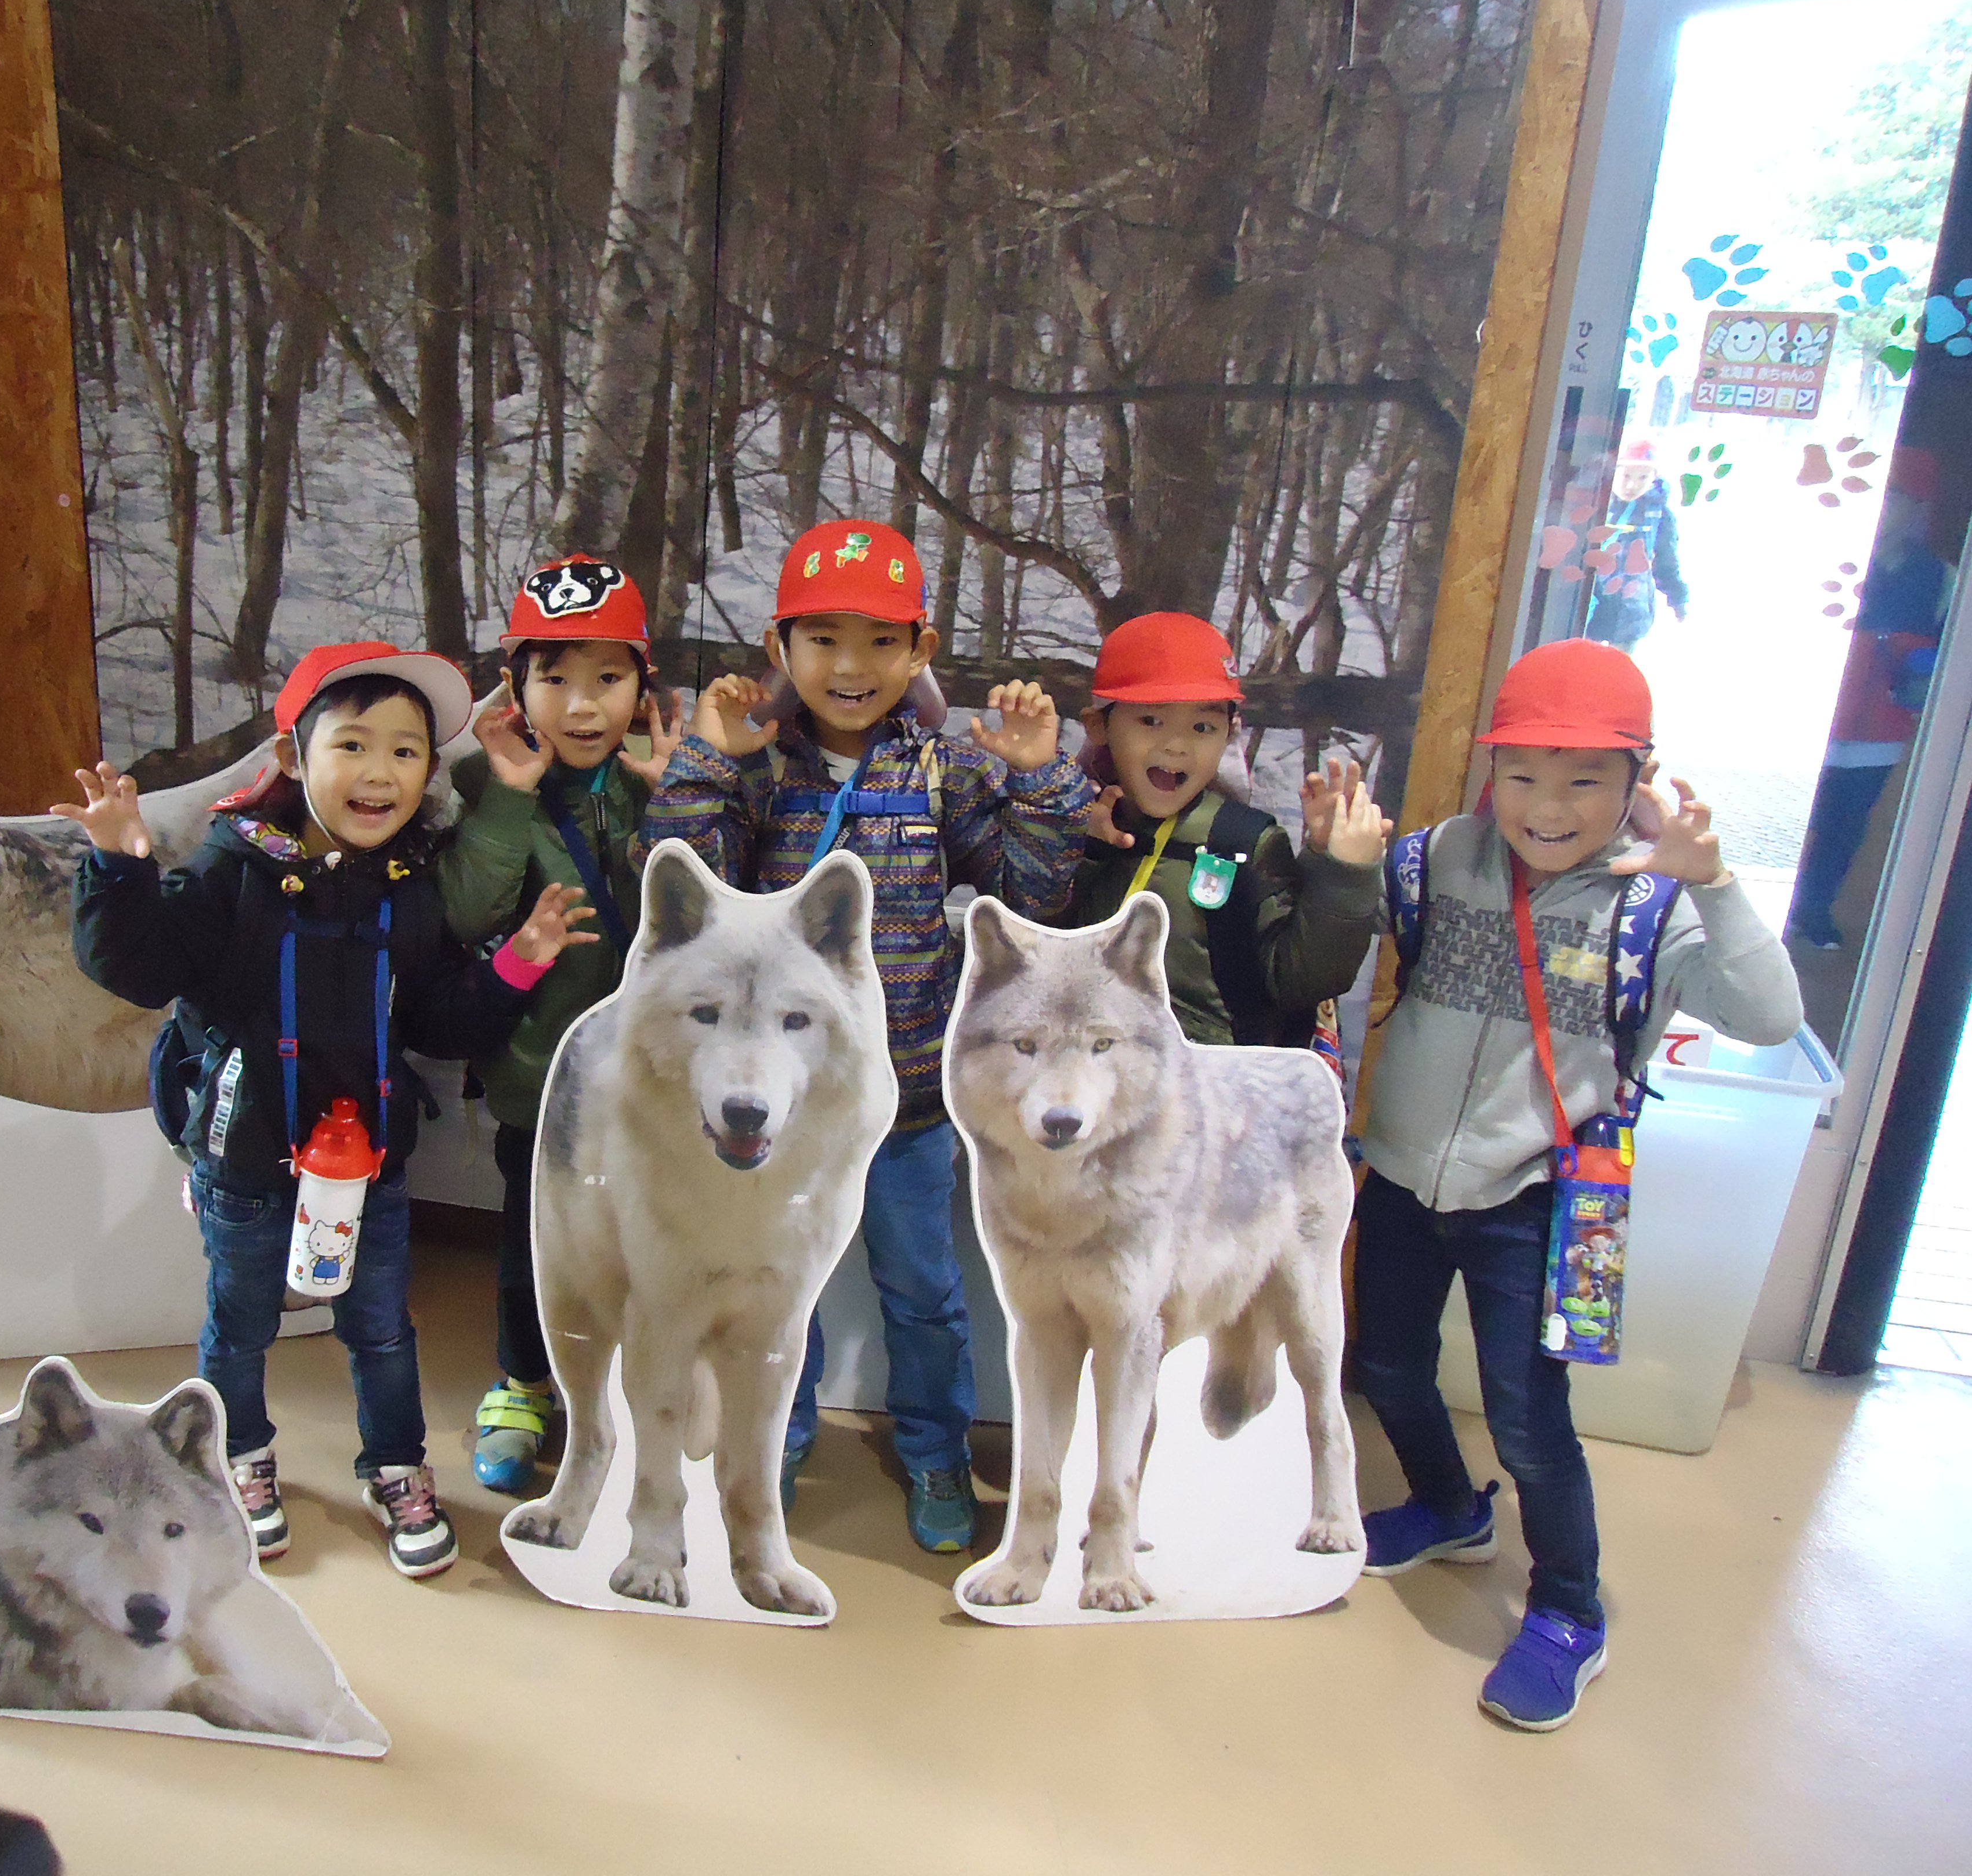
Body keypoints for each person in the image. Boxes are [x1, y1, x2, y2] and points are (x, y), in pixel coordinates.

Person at [61, 642, 599, 1579]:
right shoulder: (235, 871)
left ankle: (395, 1467)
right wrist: (120, 864)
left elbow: (436, 1017)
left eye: (406, 751)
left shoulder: (409, 887)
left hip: (371, 1172)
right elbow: (138, 965)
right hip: (247, 1161)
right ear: (290, 759)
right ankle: (236, 1459)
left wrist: (520, 961)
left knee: (382, 1328)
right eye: (353, 744)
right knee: (243, 1322)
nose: (380, 772)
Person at [1352, 639, 1801, 1730]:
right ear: (1490, 770)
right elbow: (1328, 945)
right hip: (1405, 1179)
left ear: (1637, 780)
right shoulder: (1432, 862)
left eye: (1586, 780)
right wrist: (1339, 862)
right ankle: (1449, 1510)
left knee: (1529, 1420)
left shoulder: (1654, 907)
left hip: (1541, 1200)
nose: (1549, 807)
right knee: (1384, 1363)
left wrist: (1720, 887)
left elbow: (1770, 1017)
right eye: (1526, 776)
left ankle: (1567, 1610)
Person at [645, 517, 1095, 1555]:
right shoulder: (762, 770)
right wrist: (713, 762)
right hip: (773, 1108)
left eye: (881, 642)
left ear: (922, 650)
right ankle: (772, 1439)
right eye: (825, 639)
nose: (852, 667)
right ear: (781, 646)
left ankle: (935, 1450)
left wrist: (1036, 777)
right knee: (769, 1285)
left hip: (907, 1099)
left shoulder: (943, 772)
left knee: (924, 1290)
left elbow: (1036, 898)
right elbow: (682, 889)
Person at [437, 555, 683, 1496]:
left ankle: (623, 1391)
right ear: (517, 686)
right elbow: (463, 914)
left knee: (642, 1239)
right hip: (539, 1080)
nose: (582, 707)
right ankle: (521, 1383)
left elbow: (700, 919)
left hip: (654, 1086)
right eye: (555, 679)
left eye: (608, 680)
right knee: (533, 1244)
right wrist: (506, 796)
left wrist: (671, 802)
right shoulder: (491, 789)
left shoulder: (655, 782)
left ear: (642, 687)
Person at [1060, 607, 1387, 1043]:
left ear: (1229, 733)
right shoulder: (1074, 819)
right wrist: (1086, 853)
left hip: (1206, 1092)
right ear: (1099, 726)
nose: (1176, 745)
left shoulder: (1242, 841)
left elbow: (1300, 980)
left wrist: (1344, 875)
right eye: (1151, 721)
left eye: (1202, 726)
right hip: (1078, 1080)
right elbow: (1036, 945)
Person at [1788, 446, 1953, 951]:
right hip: (1810, 716)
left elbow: (1944, 658)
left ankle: (1813, 910)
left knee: (1844, 827)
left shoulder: (1940, 577)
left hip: (1878, 729)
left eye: (1896, 498)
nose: (1883, 508)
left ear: (1918, 507)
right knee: (1794, 818)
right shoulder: (1823, 559)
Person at [1582, 439, 1688, 653]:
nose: (1632, 485)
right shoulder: (1591, 506)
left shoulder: (1660, 517)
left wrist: (1677, 597)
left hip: (1630, 613)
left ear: (1654, 479)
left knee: (1617, 675)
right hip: (1589, 607)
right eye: (1626, 476)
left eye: (1643, 477)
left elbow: (1666, 562)